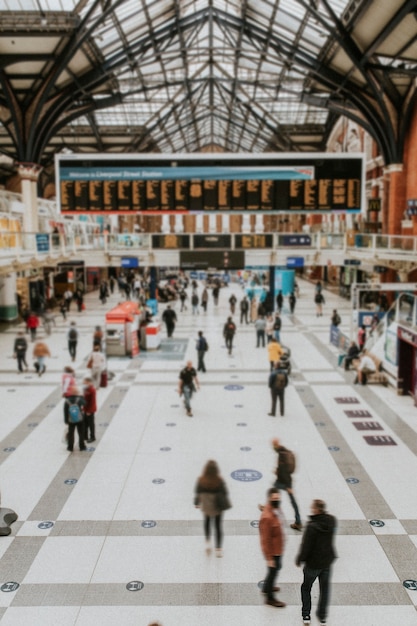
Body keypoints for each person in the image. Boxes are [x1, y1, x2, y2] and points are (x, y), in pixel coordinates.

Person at [295, 499, 337, 626]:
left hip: (313, 564)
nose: (311, 509)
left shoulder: (311, 526)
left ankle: (306, 614)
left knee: (306, 587)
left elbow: (306, 546)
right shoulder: (332, 520)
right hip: (327, 562)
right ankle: (322, 616)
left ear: (316, 510)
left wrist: (300, 559)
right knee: (325, 589)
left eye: (312, 508)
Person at [194, 460, 231, 558]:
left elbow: (197, 493)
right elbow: (225, 492)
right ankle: (218, 549)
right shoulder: (219, 481)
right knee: (218, 526)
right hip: (217, 506)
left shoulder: (201, 480)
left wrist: (196, 503)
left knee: (207, 522)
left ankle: (208, 543)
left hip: (206, 506)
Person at [259, 487, 286, 608]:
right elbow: (265, 540)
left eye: (278, 498)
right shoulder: (267, 517)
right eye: (275, 498)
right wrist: (269, 558)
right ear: (270, 498)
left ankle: (266, 587)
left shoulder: (274, 509)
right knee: (273, 571)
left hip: (278, 547)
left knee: (274, 570)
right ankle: (270, 598)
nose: (277, 500)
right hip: (274, 551)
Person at [272, 437, 302, 531]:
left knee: (292, 501)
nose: (273, 447)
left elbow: (284, 470)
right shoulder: (284, 451)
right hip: (283, 480)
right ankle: (298, 521)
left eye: (273, 445)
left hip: (284, 481)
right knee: (274, 492)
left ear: (276, 445)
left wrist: (288, 486)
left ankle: (298, 522)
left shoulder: (281, 454)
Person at [63, 384, 86, 452]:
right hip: (79, 419)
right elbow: (85, 403)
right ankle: (82, 446)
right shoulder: (79, 399)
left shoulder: (67, 401)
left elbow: (65, 411)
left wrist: (66, 420)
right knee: (81, 433)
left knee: (71, 433)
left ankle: (70, 447)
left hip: (71, 420)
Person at [83, 377, 97, 443]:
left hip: (90, 410)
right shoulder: (86, 389)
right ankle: (85, 436)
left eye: (85, 381)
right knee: (85, 423)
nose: (83, 382)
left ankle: (92, 437)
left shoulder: (92, 390)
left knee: (91, 424)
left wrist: (89, 411)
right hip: (85, 409)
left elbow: (92, 401)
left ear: (88, 382)